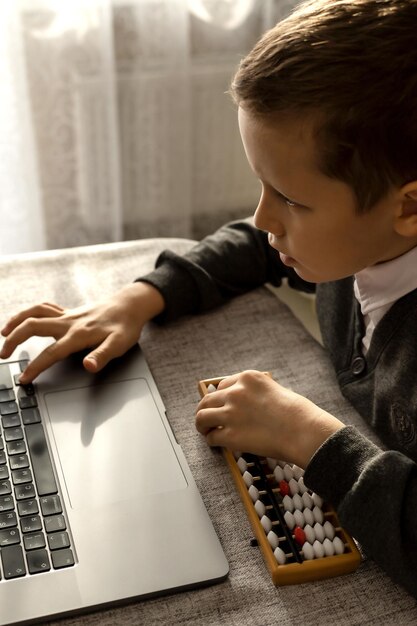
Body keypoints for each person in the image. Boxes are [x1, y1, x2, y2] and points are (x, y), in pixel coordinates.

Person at [2, 0, 417, 598]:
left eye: (291, 199)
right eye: (261, 185)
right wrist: (143, 296)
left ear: (407, 207)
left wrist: (312, 437)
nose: (262, 216)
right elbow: (254, 243)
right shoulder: (352, 243)